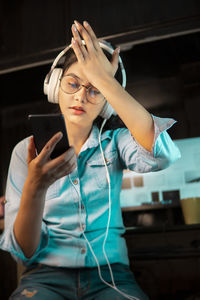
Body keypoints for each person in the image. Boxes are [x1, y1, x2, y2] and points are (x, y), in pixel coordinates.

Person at [0, 20, 181, 300]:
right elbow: (24, 251)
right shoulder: (25, 151)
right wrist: (35, 188)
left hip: (111, 274)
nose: (81, 96)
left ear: (106, 101)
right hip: (45, 276)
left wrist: (107, 81)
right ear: (54, 87)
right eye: (73, 84)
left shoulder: (116, 143)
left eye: (95, 88)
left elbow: (162, 155)